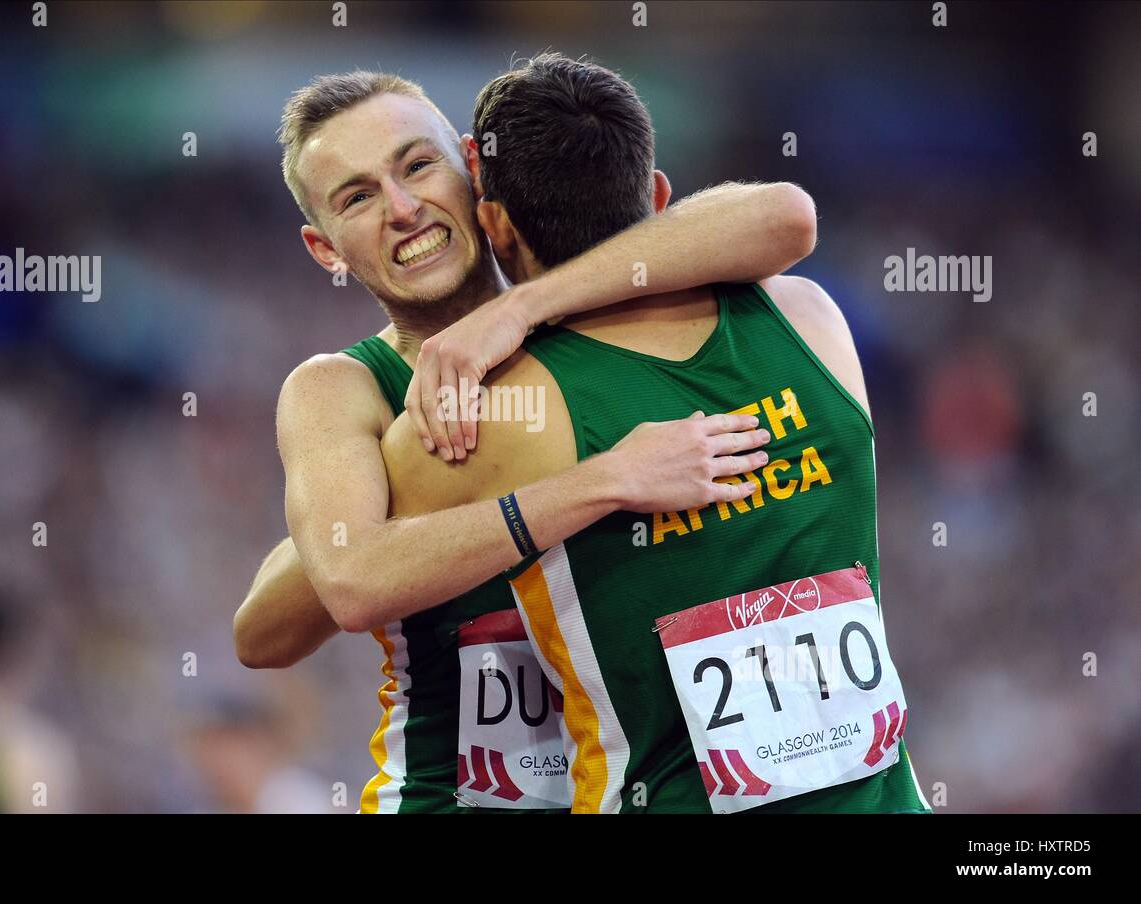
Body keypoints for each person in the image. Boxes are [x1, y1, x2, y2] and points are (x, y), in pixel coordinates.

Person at [234, 70, 816, 812]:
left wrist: (522, 310)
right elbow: (298, 613)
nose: (403, 209)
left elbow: (786, 216)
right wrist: (602, 480)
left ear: (474, 168)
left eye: (417, 166)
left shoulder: (592, 319)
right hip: (456, 798)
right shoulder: (341, 389)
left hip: (615, 784)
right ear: (326, 250)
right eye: (358, 197)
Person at [382, 53, 930, 813]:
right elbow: (781, 217)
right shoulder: (808, 319)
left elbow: (346, 576)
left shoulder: (501, 411)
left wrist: (345, 386)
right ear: (660, 196)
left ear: (495, 225)